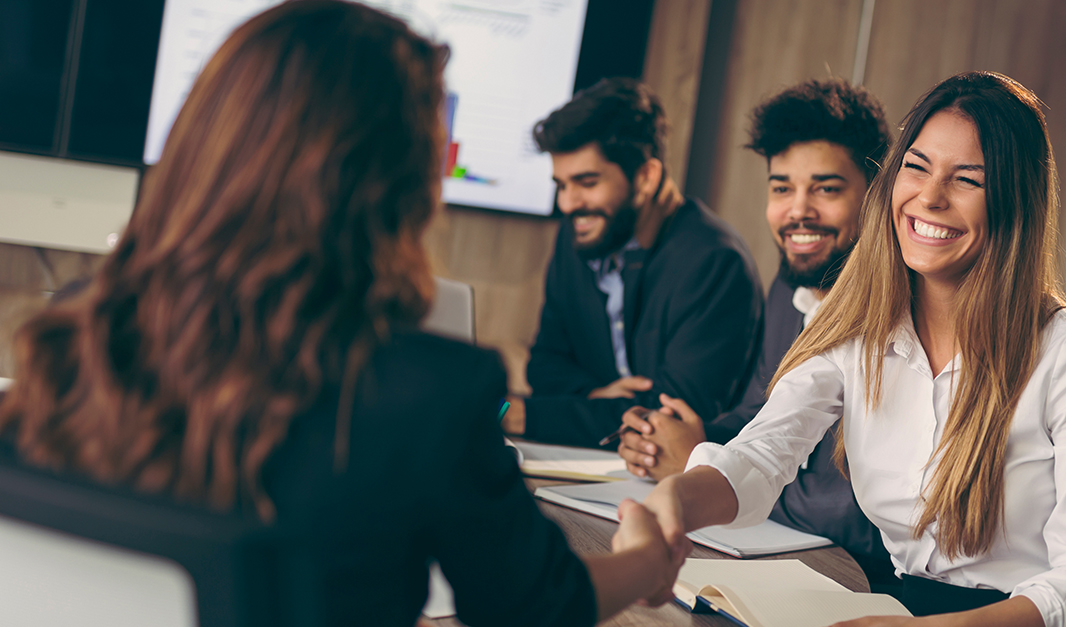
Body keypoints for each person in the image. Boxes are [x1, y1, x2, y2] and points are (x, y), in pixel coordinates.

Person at [0, 2, 683, 625]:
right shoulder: (429, 393)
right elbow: (537, 606)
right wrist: (647, 559)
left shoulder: (77, 333)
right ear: (401, 184)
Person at [640, 71, 1066, 626]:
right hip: (896, 605)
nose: (930, 197)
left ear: (1014, 201)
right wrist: (672, 505)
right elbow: (761, 455)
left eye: (966, 180)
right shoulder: (858, 326)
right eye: (916, 167)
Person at [617, 79, 898, 590]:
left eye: (826, 189)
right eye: (782, 188)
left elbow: (860, 516)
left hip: (866, 582)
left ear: (876, 195)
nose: (798, 210)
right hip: (783, 559)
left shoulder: (901, 313)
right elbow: (761, 412)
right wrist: (675, 439)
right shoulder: (789, 289)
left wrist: (700, 465)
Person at [501, 78, 763, 448]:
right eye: (561, 185)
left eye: (587, 182)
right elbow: (545, 365)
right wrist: (594, 396)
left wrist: (525, 416)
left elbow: (674, 417)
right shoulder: (579, 234)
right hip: (591, 460)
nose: (568, 203)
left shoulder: (716, 262)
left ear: (646, 177)